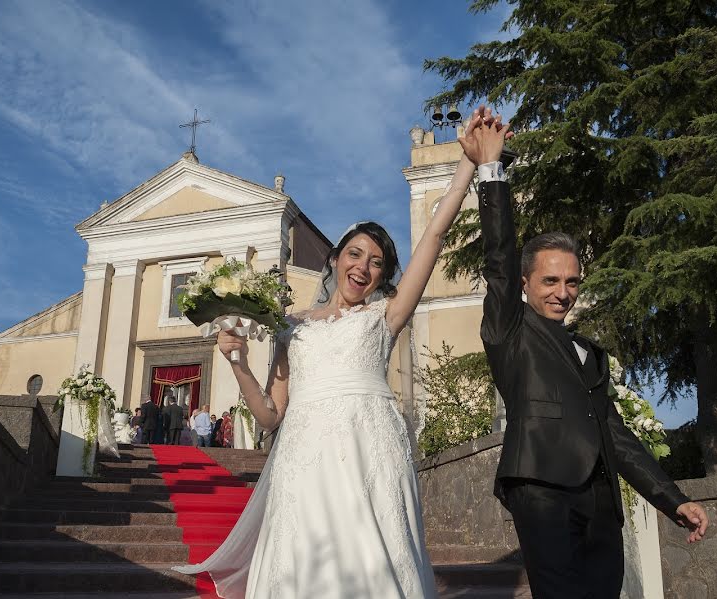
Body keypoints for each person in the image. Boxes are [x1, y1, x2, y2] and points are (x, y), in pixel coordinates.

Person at [174, 107, 503, 598]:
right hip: (303, 454)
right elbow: (270, 415)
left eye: (376, 263)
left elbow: (433, 237)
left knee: (375, 554)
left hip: (370, 445)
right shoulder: (289, 326)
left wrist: (468, 164)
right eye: (355, 254)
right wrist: (238, 363)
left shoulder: (385, 315)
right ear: (334, 258)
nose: (363, 267)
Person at [470, 108, 709, 598]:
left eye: (572, 281)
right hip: (539, 489)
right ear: (525, 283)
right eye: (550, 280)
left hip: (601, 503)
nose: (563, 292)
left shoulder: (591, 354)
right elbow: (497, 257)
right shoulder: (509, 330)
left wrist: (673, 500)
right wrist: (490, 170)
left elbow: (618, 438)